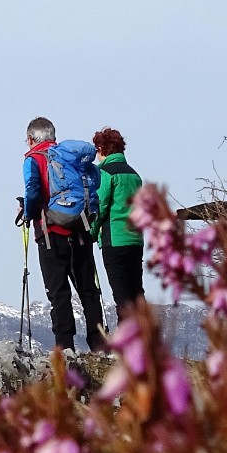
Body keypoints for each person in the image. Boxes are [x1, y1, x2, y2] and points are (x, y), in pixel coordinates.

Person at [20, 116, 108, 352]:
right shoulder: (71, 157)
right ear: (53, 136)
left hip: (51, 232)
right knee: (88, 288)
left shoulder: (34, 159)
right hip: (80, 227)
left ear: (30, 139)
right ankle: (99, 342)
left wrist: (27, 212)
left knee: (58, 292)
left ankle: (65, 345)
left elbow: (33, 190)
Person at [90, 127, 145, 322]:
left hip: (114, 238)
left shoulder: (104, 173)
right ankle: (143, 339)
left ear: (102, 149)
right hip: (135, 239)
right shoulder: (134, 175)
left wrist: (91, 232)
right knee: (136, 292)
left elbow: (100, 205)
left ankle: (127, 341)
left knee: (121, 294)